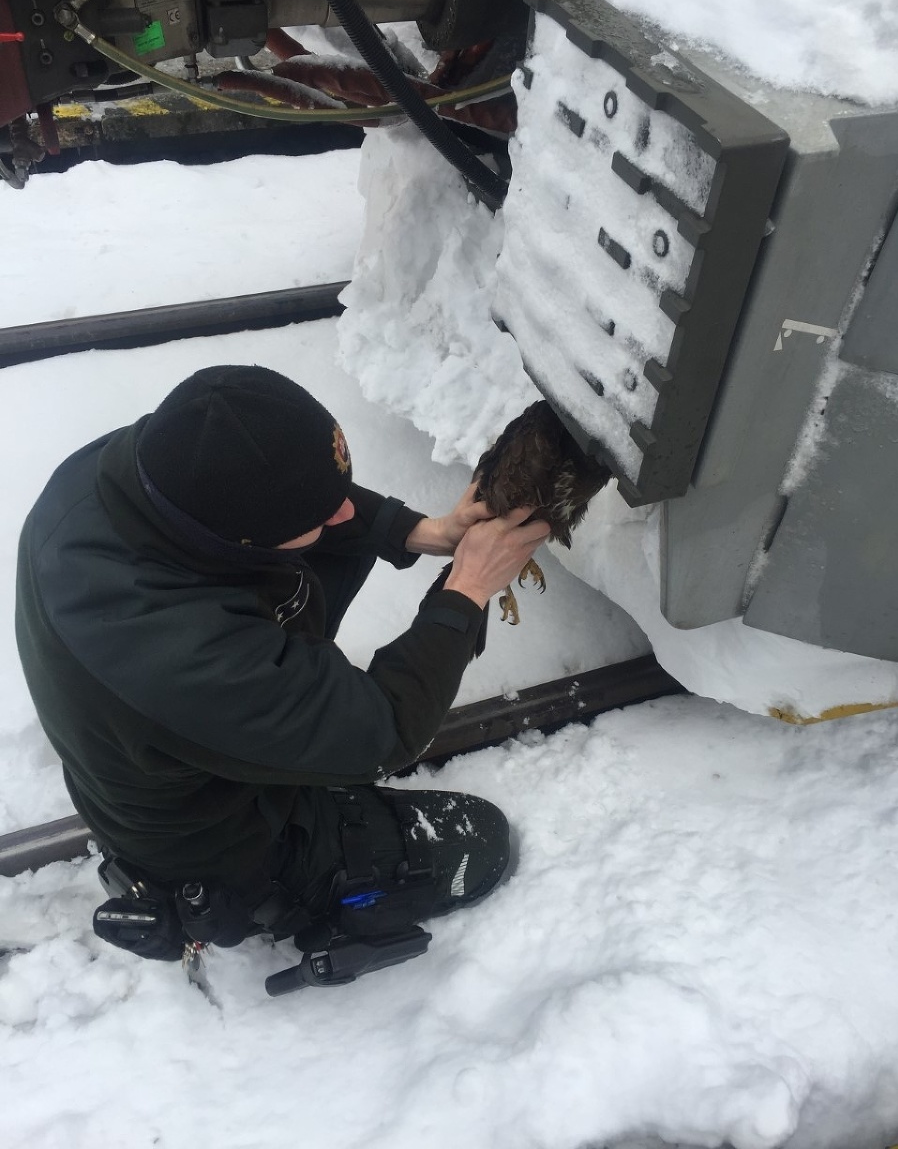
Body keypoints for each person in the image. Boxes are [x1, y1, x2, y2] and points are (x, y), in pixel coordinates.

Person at [15, 364, 550, 966]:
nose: (345, 516)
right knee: (485, 843)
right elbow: (385, 731)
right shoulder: (183, 657)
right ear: (237, 542)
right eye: (318, 516)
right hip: (218, 839)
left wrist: (420, 531)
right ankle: (279, 892)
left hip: (155, 751)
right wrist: (469, 588)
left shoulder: (132, 470)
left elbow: (290, 493)